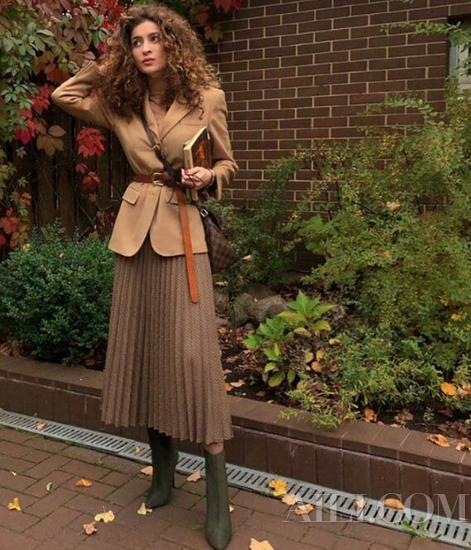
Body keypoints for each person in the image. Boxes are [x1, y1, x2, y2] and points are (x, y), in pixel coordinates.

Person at [51, 4, 237, 549]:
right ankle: (162, 471)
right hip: (135, 238)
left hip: (183, 234)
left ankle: (217, 494)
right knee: (145, 349)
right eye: (136, 42)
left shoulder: (207, 98)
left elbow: (227, 163)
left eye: (155, 38)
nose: (146, 48)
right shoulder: (120, 104)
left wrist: (208, 176)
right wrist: (109, 64)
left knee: (193, 358)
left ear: (173, 43)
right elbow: (65, 95)